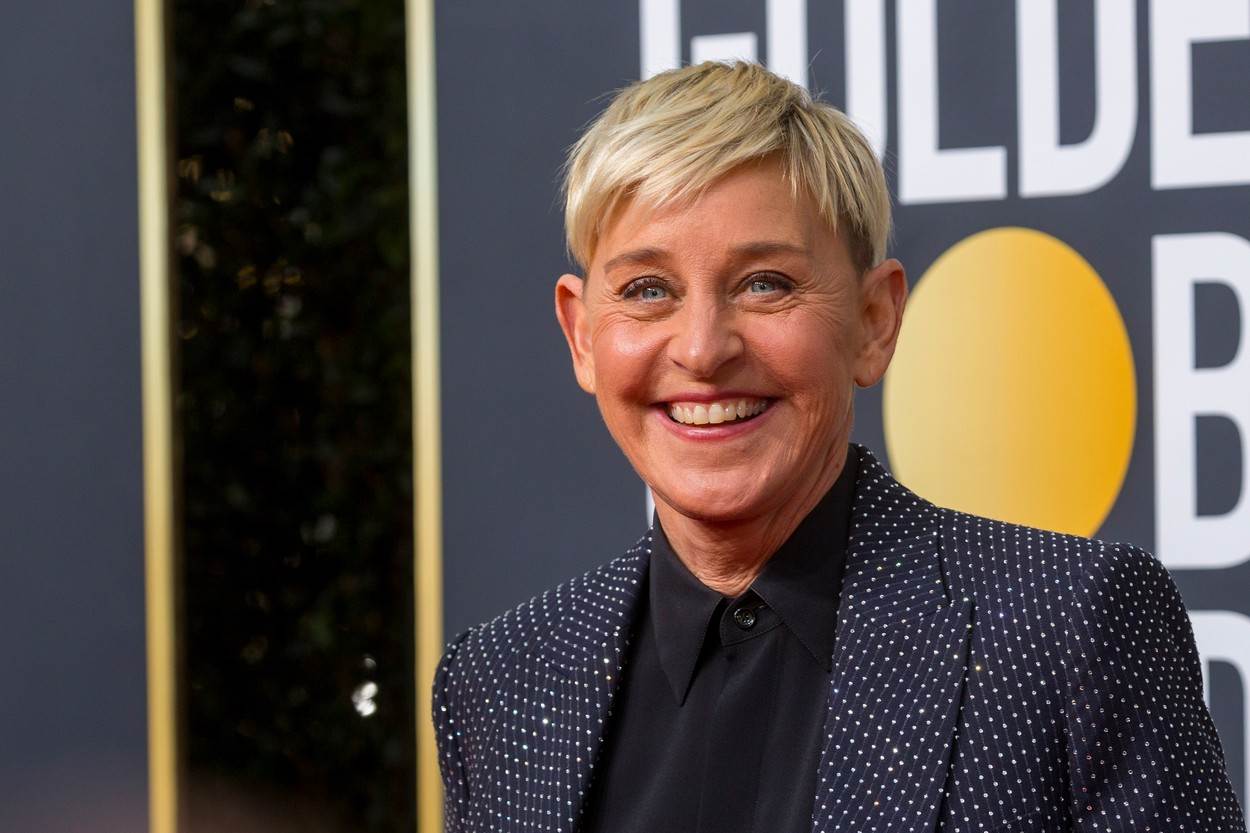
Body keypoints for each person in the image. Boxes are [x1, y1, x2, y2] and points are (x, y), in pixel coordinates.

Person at [431, 61, 1245, 833]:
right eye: (648, 290)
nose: (703, 349)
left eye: (765, 284)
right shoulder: (501, 683)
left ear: (875, 321)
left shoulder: (1067, 627)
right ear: (582, 334)